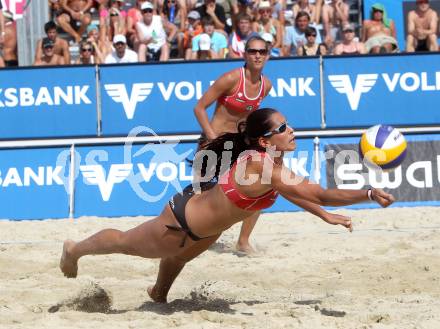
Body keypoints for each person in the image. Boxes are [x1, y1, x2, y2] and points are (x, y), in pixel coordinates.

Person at [60, 108, 395, 304]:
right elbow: (317, 192)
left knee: (178, 259)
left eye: (288, 125)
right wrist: (366, 193)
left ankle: (158, 294)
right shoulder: (260, 164)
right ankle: (74, 249)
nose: (291, 131)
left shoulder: (274, 167)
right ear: (265, 141)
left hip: (206, 230)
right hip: (180, 222)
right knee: (125, 243)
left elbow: (299, 195)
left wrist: (324, 216)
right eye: (282, 129)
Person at [194, 36, 272, 253]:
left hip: (239, 143)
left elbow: (249, 116)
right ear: (244, 54)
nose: (257, 55)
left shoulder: (266, 85)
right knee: (201, 197)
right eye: (253, 51)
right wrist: (211, 137)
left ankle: (243, 242)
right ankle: (193, 239)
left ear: (268, 55)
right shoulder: (230, 79)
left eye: (262, 52)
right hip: (213, 140)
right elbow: (199, 108)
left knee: (260, 187)